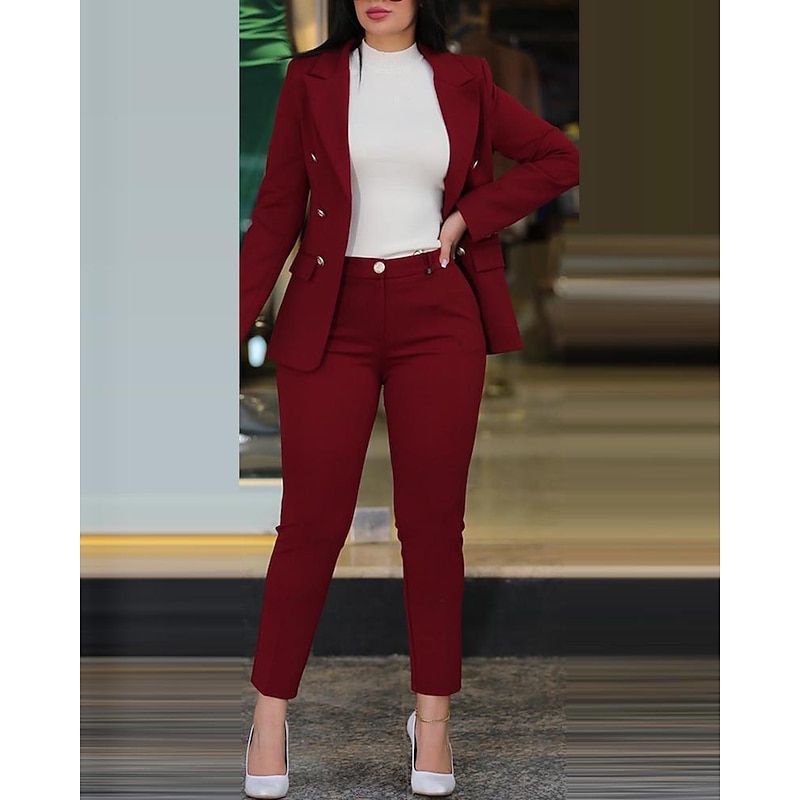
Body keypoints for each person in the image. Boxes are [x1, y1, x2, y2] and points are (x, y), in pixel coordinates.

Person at [238, 0, 579, 796]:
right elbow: (278, 210)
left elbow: (557, 158)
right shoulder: (311, 78)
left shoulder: (466, 79)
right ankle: (268, 719)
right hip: (332, 314)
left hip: (438, 311)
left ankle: (432, 723)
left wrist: (468, 218)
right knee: (311, 523)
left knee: (430, 524)